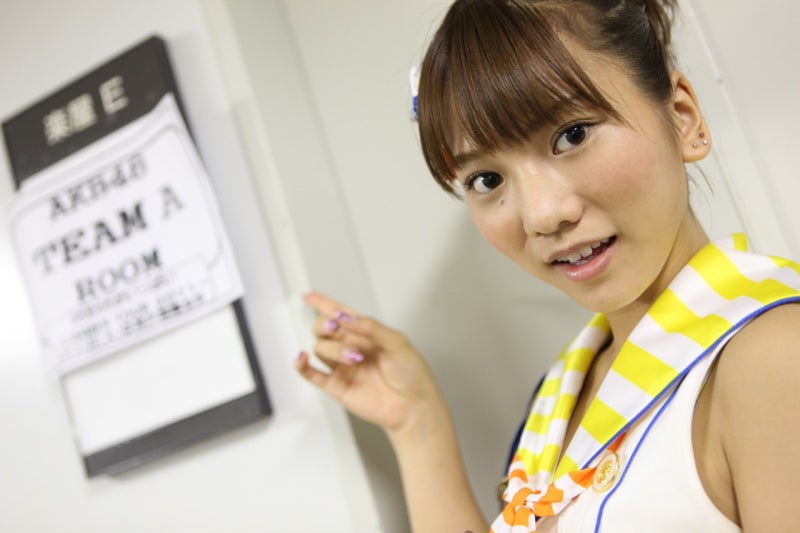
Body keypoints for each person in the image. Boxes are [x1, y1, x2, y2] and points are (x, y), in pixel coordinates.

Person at [295, 0, 800, 531]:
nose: (542, 215)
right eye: (487, 180)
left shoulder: (772, 359)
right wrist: (416, 424)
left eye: (572, 135)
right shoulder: (563, 391)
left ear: (682, 118)